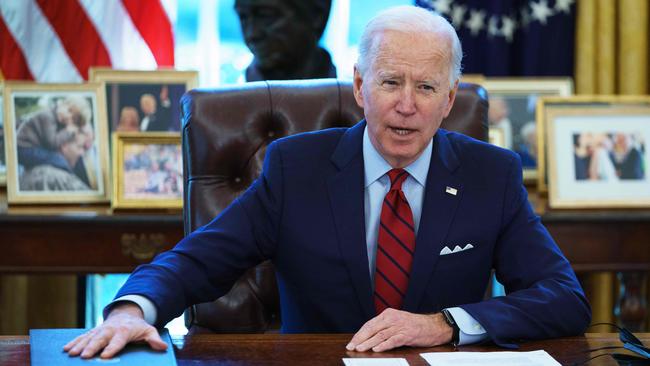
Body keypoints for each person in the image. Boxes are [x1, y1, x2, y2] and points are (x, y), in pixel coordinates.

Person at [64, 5, 590, 359]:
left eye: (426, 87)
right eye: (390, 82)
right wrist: (134, 309)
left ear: (450, 100)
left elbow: (563, 297)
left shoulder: (489, 174)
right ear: (361, 86)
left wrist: (448, 324)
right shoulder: (296, 169)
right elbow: (196, 260)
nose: (406, 105)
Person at [235, 0, 336, 81]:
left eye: (266, 15)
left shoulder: (348, 96)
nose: (252, 34)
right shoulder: (229, 100)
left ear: (316, 15)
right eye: (243, 17)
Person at [16, 96, 94, 189]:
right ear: (62, 104)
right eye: (69, 111)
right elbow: (52, 143)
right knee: (58, 159)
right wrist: (69, 131)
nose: (69, 117)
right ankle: (69, 176)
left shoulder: (57, 118)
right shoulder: (47, 117)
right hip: (23, 148)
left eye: (73, 119)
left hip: (30, 148)